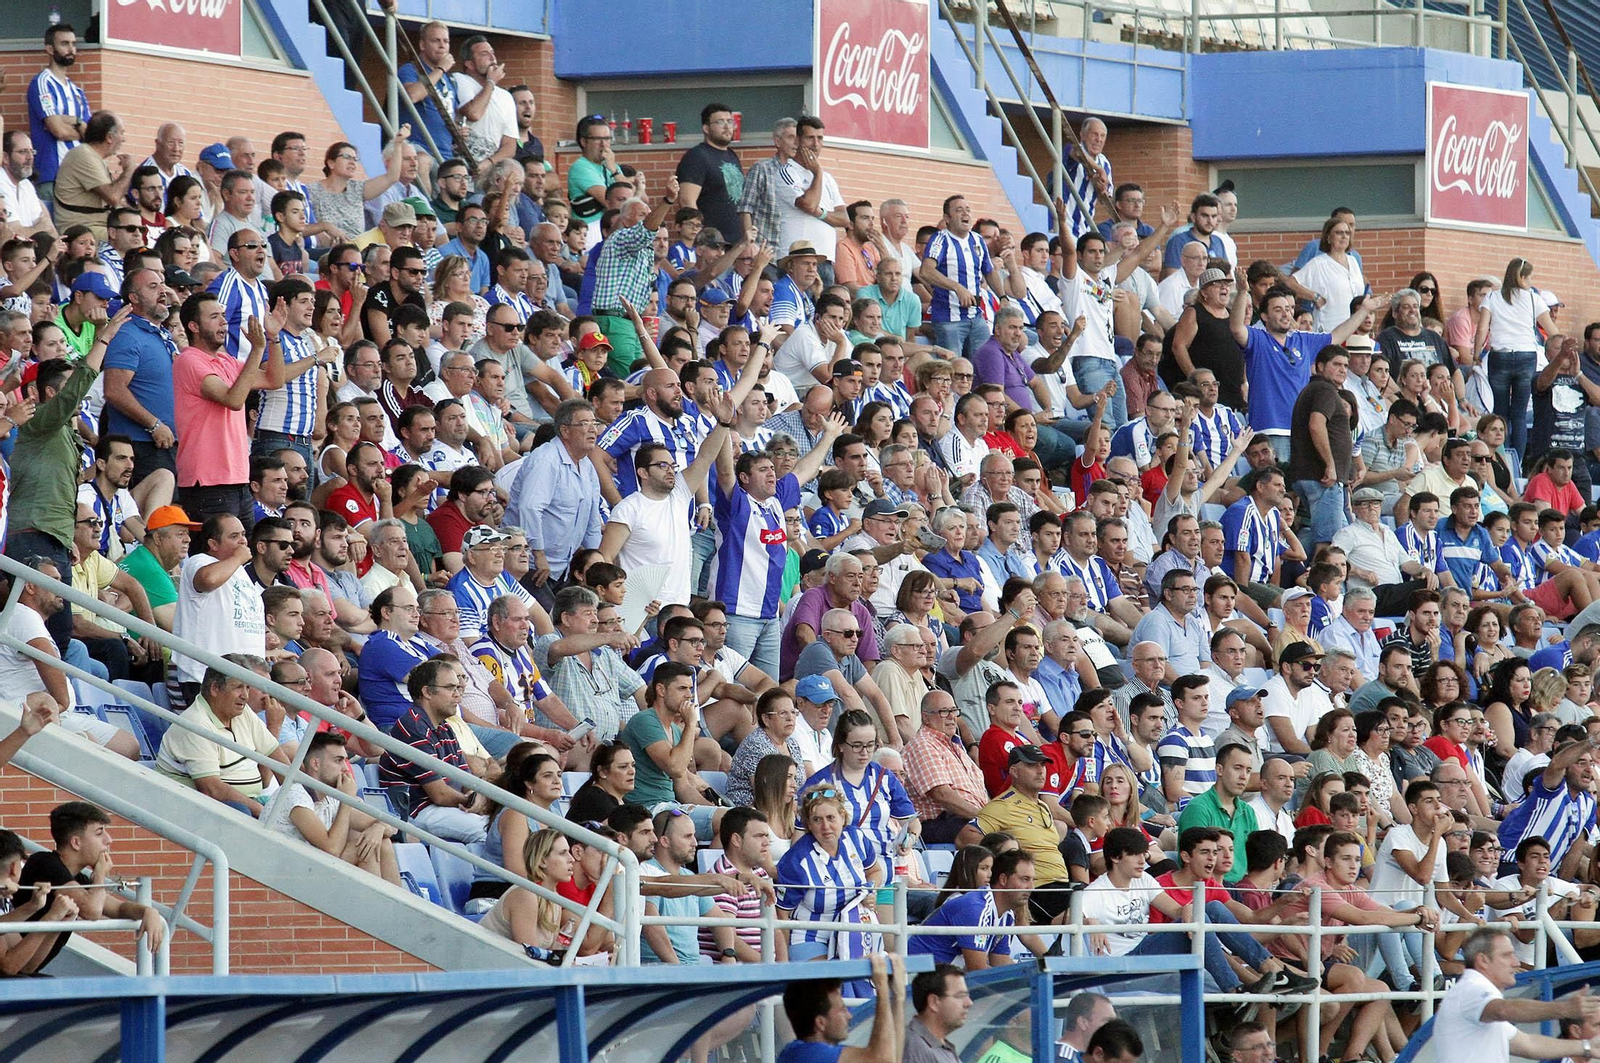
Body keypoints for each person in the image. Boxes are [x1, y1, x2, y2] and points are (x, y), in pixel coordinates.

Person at [17, 801, 167, 974]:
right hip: (9, 969)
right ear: (76, 842)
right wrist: (100, 875)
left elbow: (118, 908)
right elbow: (92, 911)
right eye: (99, 833)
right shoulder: (44, 863)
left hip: (25, 969)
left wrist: (148, 912)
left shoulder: (77, 878)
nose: (108, 840)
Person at [1433, 929, 1600, 1063]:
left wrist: (1585, 1047)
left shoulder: (1477, 997)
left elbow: (1529, 1045)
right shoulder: (1472, 988)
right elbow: (1504, 1010)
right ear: (1483, 960)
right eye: (1507, 955)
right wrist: (1565, 1009)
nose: (1516, 962)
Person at [155, 660, 291, 814]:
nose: (245, 696)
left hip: (249, 802)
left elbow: (278, 761)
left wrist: (298, 801)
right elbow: (212, 789)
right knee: (242, 811)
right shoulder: (196, 723)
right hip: (191, 809)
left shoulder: (242, 711)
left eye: (247, 687)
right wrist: (264, 813)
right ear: (214, 688)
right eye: (238, 687)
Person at [269, 732, 400, 884]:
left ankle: (400, 906)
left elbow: (391, 826)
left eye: (345, 760)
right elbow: (332, 849)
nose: (345, 768)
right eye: (338, 761)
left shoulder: (330, 795)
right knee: (366, 849)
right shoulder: (294, 795)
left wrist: (379, 829)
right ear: (315, 764)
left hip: (311, 871)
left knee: (380, 842)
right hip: (285, 878)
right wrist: (346, 801)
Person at [777, 784, 887, 964]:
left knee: (882, 970)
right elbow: (782, 915)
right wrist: (783, 962)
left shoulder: (856, 838)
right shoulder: (796, 861)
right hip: (812, 936)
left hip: (855, 932)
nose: (826, 826)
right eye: (817, 820)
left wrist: (870, 890)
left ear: (842, 817)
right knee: (834, 981)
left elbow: (874, 871)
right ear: (809, 825)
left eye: (830, 817)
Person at [777, 952, 905, 1063]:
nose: (849, 1015)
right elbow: (884, 1060)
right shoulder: (808, 1054)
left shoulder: (800, 1052)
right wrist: (881, 986)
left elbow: (892, 1059)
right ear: (821, 1023)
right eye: (842, 1009)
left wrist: (898, 998)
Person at [903, 964, 973, 1063]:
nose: (969, 1003)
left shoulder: (938, 1047)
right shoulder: (915, 1050)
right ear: (934, 1002)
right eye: (960, 996)